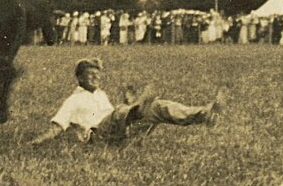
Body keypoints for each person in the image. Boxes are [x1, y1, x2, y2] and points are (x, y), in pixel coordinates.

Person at [30, 58, 225, 145]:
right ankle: (137, 106)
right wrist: (37, 142)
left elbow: (114, 115)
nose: (95, 79)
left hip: (122, 134)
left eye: (97, 75)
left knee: (159, 106)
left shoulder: (101, 94)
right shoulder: (73, 100)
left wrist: (125, 106)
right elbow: (57, 126)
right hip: (99, 138)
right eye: (90, 75)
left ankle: (203, 114)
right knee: (122, 111)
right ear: (80, 78)